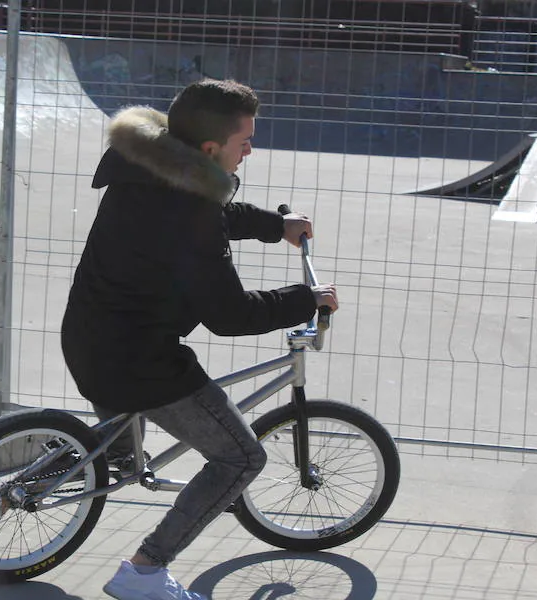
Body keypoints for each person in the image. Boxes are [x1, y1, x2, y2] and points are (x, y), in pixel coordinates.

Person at [59, 78, 338, 600]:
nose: (251, 149)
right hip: (141, 362)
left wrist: (275, 226)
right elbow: (229, 315)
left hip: (86, 337)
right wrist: (307, 299)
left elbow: (211, 212)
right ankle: (143, 572)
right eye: (244, 142)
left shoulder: (146, 169)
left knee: (114, 458)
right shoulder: (190, 210)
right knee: (241, 458)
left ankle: (13, 462)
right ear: (210, 149)